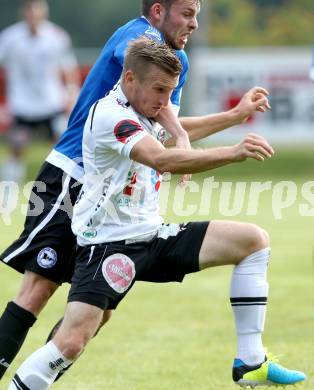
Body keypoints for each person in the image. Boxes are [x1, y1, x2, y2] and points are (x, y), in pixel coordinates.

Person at [7, 37, 307, 390]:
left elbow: (176, 131)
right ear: (130, 79)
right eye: (160, 90)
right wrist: (234, 152)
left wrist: (235, 116)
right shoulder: (111, 116)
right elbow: (161, 158)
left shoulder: (143, 108)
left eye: (171, 91)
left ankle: (251, 362)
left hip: (152, 236)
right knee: (71, 343)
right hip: (108, 246)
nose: (166, 102)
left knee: (253, 241)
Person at [0, 0, 80, 183]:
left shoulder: (56, 36)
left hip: (51, 103)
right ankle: (10, 187)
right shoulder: (9, 38)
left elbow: (69, 68)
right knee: (16, 147)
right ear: (23, 12)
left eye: (37, 10)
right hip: (22, 105)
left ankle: (63, 183)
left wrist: (71, 93)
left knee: (62, 145)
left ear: (44, 12)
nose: (33, 14)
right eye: (29, 10)